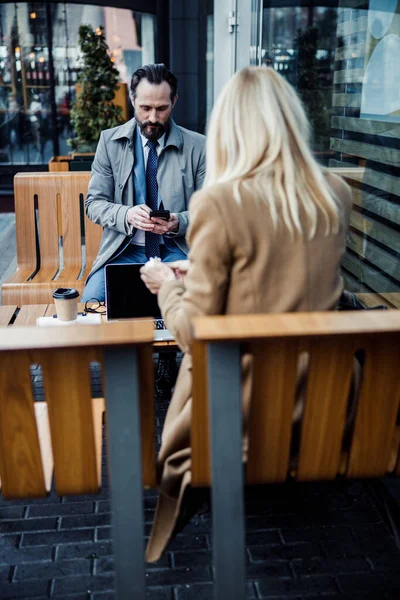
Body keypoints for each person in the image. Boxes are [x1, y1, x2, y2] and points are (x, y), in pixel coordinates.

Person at [140, 66, 354, 562]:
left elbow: (196, 332)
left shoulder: (220, 202)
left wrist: (165, 290)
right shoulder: (333, 195)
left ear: (229, 127)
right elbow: (286, 281)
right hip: (330, 410)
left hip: (244, 423)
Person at [82, 63, 206, 397]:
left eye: (161, 108)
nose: (153, 117)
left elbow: (212, 212)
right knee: (93, 302)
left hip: (176, 249)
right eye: (145, 108)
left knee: (200, 298)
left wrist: (179, 220)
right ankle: (127, 365)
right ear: (132, 101)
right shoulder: (110, 143)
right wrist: (126, 214)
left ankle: (166, 355)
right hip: (127, 250)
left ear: (174, 102)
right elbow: (93, 203)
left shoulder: (198, 147)